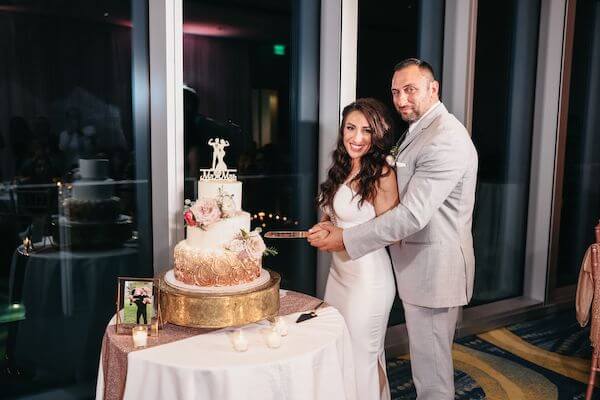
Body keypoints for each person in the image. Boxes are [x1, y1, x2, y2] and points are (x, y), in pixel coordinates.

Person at [308, 58, 478, 399]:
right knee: (423, 369)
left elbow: (412, 215)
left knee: (432, 377)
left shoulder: (446, 137)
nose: (401, 100)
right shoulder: (419, 131)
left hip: (435, 271)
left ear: (434, 88)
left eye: (411, 90)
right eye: (396, 92)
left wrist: (346, 237)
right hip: (413, 267)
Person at [315, 98, 398, 400]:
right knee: (341, 354)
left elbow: (391, 233)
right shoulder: (343, 167)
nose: (357, 138)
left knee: (363, 358)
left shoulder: (382, 173)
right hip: (339, 276)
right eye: (351, 128)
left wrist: (342, 235)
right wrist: (326, 227)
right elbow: (337, 217)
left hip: (368, 281)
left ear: (377, 135)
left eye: (366, 130)